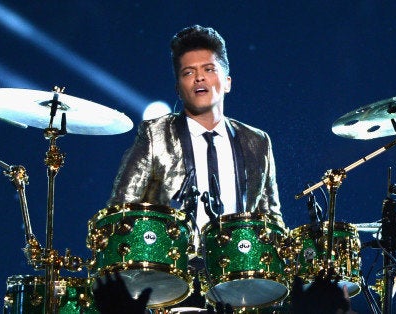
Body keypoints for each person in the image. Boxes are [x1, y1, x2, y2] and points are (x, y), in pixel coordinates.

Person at [107, 24, 284, 231]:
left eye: (209, 69)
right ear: (178, 90)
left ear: (227, 83)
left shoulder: (258, 142)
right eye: (188, 72)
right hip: (173, 260)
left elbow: (271, 219)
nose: (199, 77)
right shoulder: (155, 135)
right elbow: (120, 211)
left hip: (239, 261)